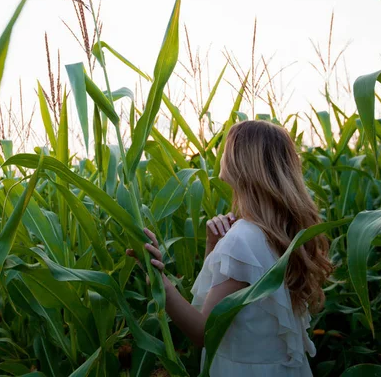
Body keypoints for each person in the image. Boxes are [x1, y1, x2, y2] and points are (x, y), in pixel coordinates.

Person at [127, 120, 332, 376]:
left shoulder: (242, 239)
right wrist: (215, 248)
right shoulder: (283, 232)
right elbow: (224, 305)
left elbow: (204, 332)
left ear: (240, 162)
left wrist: (160, 283)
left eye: (226, 148)